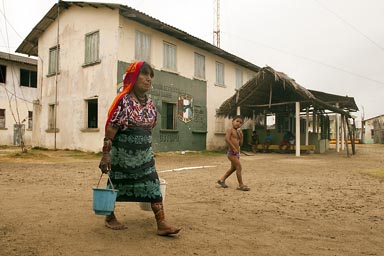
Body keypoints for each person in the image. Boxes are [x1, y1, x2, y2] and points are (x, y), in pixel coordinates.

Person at [99, 61, 181, 236]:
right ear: (133, 78)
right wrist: (106, 155)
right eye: (144, 74)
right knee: (115, 185)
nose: (148, 79)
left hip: (145, 157)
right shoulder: (123, 101)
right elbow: (111, 129)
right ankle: (109, 216)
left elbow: (148, 130)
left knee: (153, 185)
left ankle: (162, 223)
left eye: (150, 75)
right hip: (123, 156)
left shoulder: (150, 104)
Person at [217, 115, 250, 191]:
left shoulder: (238, 132)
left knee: (233, 168)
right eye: (237, 121)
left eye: (240, 122)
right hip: (231, 153)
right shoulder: (230, 130)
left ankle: (221, 180)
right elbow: (227, 139)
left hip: (237, 153)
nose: (238, 123)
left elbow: (240, 144)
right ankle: (241, 185)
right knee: (239, 167)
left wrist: (241, 136)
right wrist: (233, 148)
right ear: (232, 122)